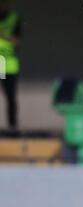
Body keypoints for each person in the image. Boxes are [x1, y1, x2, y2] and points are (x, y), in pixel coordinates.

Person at [0, 0, 21, 130]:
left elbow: (17, 42)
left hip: (7, 64)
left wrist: (3, 35)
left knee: (10, 97)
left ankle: (12, 127)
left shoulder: (14, 18)